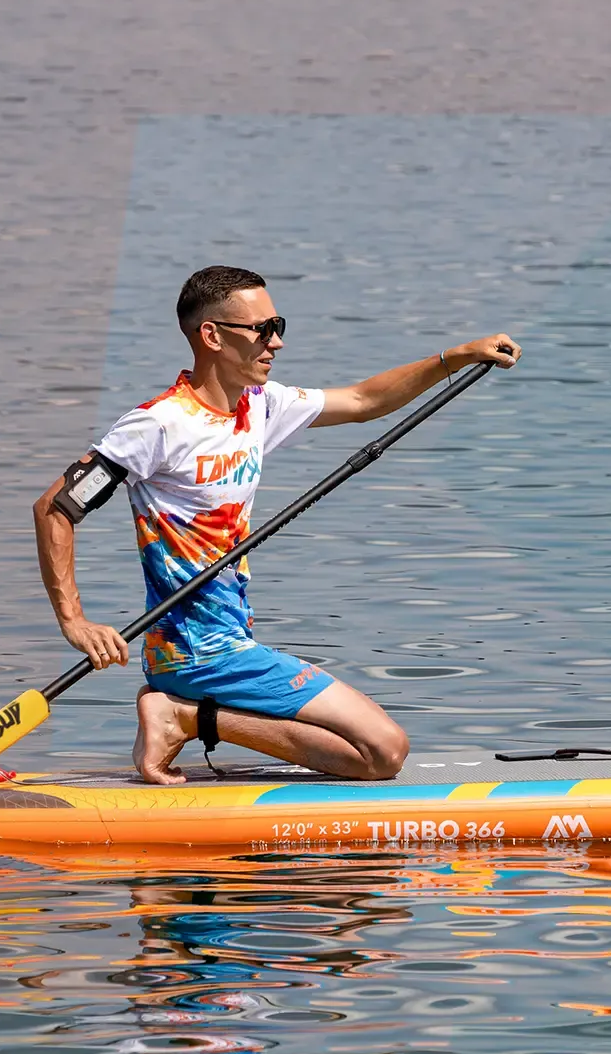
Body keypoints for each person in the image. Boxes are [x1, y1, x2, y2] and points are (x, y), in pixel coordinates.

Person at [34, 264, 520, 786]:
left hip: (230, 641)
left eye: (278, 325)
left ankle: (185, 713)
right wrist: (74, 621)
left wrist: (456, 357)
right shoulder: (158, 425)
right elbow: (55, 508)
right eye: (262, 329)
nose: (277, 342)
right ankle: (181, 716)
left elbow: (364, 401)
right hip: (194, 650)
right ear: (212, 336)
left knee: (372, 753)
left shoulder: (260, 405)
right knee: (385, 751)